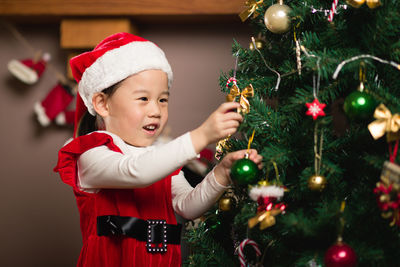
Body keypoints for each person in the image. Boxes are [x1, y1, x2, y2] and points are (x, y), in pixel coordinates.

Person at [54, 32, 262, 267]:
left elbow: (188, 206)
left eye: (162, 100)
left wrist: (221, 173)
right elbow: (135, 172)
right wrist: (201, 135)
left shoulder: (159, 158)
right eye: (143, 98)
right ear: (102, 104)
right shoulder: (91, 154)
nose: (156, 110)